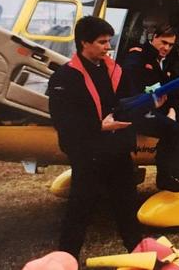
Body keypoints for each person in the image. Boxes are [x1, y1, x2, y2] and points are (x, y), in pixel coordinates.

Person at [47, 16, 141, 260]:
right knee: (79, 209)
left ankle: (139, 255)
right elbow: (62, 120)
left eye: (109, 41)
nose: (107, 47)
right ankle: (65, 259)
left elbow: (129, 100)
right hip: (88, 153)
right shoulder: (63, 78)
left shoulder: (114, 70)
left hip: (117, 150)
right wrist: (98, 125)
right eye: (101, 42)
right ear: (83, 43)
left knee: (127, 206)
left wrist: (150, 101)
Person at [122, 21, 179, 192]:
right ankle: (165, 177)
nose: (167, 48)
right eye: (164, 43)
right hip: (138, 110)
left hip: (159, 109)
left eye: (170, 45)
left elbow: (171, 91)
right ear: (154, 38)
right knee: (172, 128)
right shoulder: (137, 58)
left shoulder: (166, 62)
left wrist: (172, 110)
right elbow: (132, 92)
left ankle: (176, 169)